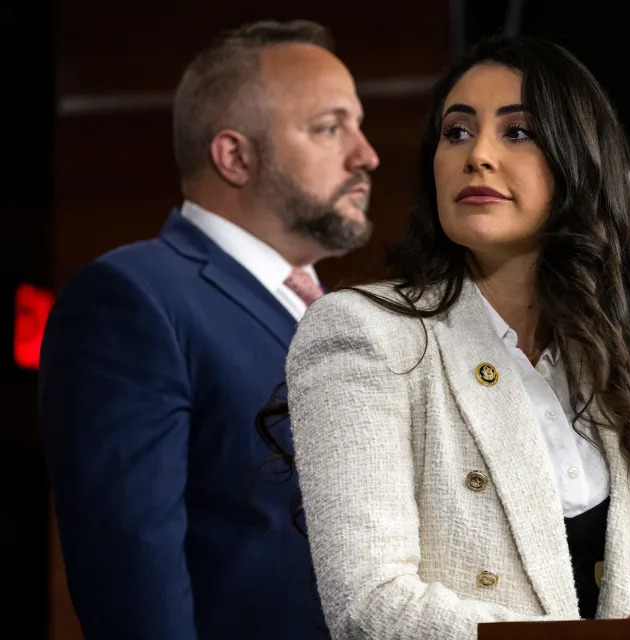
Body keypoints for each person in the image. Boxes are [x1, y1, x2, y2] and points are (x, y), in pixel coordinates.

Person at [284, 36, 630, 640]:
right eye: (456, 133)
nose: (478, 155)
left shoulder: (615, 352)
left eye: (517, 132)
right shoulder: (363, 331)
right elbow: (369, 609)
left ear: (578, 161)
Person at [39, 19, 379, 639]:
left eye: (356, 126)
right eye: (330, 128)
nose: (366, 155)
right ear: (234, 155)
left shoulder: (341, 313)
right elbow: (132, 569)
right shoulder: (131, 298)